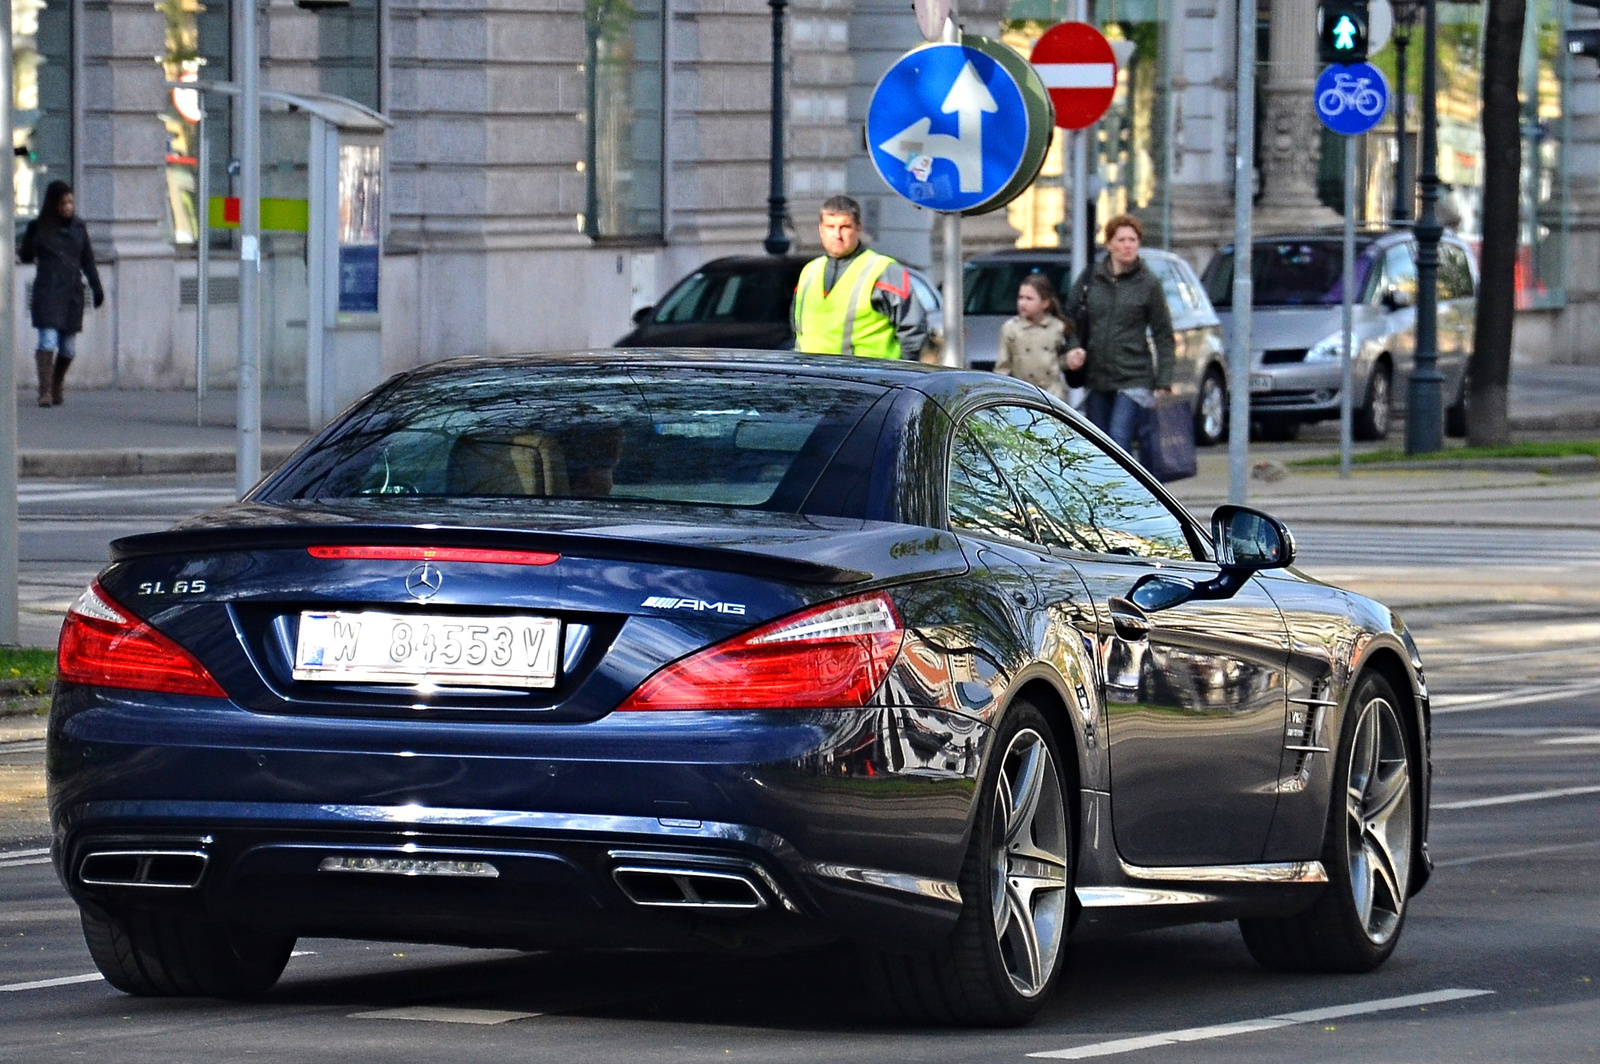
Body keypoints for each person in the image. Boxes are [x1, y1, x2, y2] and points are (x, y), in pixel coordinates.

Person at [1063, 213, 1175, 453]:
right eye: (1121, 239)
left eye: (1133, 240)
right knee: (1098, 443)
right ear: (1109, 244)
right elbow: (1068, 317)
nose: (1128, 245)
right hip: (1097, 375)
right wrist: (1073, 347)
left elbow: (1163, 332)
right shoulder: (1092, 277)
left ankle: (1126, 489)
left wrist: (1164, 379)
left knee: (1118, 438)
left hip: (1134, 375)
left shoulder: (1148, 283)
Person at [793, 195, 927, 360]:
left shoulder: (884, 270)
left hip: (868, 382)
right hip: (814, 379)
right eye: (830, 226)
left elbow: (912, 332)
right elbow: (798, 330)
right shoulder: (809, 271)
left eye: (845, 227)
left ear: (858, 229)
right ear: (820, 229)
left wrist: (901, 377)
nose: (837, 235)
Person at [18, 181, 104, 407]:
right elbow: (26, 255)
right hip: (48, 291)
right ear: (54, 204)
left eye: (71, 202)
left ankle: (57, 383)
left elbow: (87, 260)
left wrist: (97, 287)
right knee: (48, 340)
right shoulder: (41, 227)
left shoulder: (78, 228)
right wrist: (29, 239)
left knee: (68, 347)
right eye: (63, 202)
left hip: (72, 294)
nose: (68, 207)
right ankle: (44, 391)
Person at [995, 273, 1084, 401]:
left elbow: (1056, 361)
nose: (1022, 303)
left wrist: (1070, 360)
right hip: (1024, 393)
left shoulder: (1058, 327)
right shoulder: (1010, 329)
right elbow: (1003, 366)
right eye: (1020, 298)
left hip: (1053, 393)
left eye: (1029, 299)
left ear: (1045, 303)